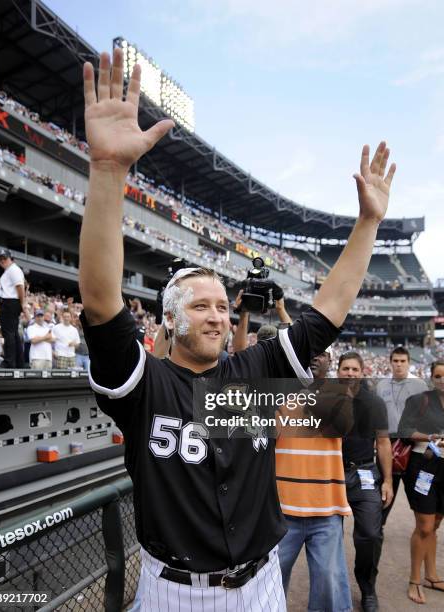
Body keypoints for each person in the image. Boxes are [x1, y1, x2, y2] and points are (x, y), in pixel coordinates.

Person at [79, 47, 395, 611]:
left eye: (224, 307)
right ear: (170, 320)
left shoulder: (255, 368)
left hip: (262, 585)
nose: (219, 316)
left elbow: (328, 311)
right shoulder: (142, 383)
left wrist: (368, 222)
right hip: (174, 593)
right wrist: (107, 173)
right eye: (201, 306)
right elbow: (101, 304)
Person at [277, 349, 353, 612]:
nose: (314, 357)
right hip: (282, 508)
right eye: (308, 352)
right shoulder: (278, 392)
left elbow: (341, 426)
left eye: (321, 354)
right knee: (270, 584)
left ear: (330, 362)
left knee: (328, 588)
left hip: (326, 508)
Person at [339, 351, 393, 612]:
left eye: (354, 369)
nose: (349, 373)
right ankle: (333, 589)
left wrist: (389, 482)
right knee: (325, 536)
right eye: (345, 368)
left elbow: (383, 443)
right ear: (338, 371)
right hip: (332, 475)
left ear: (362, 372)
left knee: (371, 534)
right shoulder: (326, 400)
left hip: (365, 474)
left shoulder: (374, 402)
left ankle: (367, 588)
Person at [398, 360, 444, 605]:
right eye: (438, 376)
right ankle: (415, 580)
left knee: (434, 525)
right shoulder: (420, 401)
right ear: (432, 378)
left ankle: (432, 575)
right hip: (424, 466)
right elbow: (404, 430)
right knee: (424, 526)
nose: (443, 380)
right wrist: (432, 437)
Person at [377, 346, 428, 523]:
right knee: (383, 499)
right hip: (387, 444)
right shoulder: (381, 385)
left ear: (409, 363)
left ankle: (423, 529)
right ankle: (378, 532)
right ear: (390, 363)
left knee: (420, 502)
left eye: (402, 361)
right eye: (395, 361)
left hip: (412, 446)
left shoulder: (420, 385)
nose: (399, 365)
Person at [0, 248, 25, 368]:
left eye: (4, 258)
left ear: (11, 259)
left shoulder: (13, 270)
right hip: (9, 303)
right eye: (0, 259)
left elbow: (20, 287)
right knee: (13, 334)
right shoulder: (9, 270)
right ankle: (19, 362)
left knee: (8, 333)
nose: (2, 260)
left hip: (10, 303)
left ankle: (9, 362)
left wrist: (22, 304)